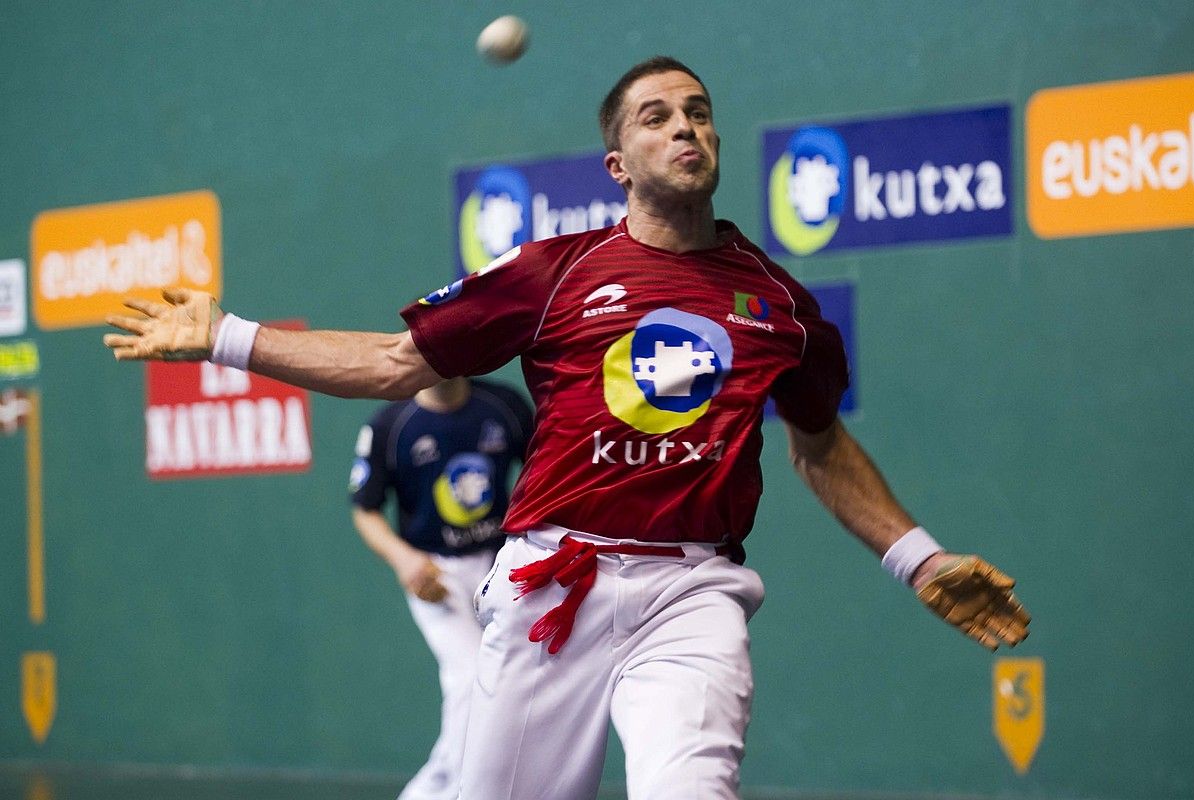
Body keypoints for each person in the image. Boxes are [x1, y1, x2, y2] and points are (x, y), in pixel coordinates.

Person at [105, 56, 1029, 800]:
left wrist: (920, 557)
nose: (686, 128)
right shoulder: (555, 272)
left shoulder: (779, 303)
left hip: (693, 593)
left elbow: (819, 444)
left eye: (699, 112)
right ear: (618, 165)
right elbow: (396, 365)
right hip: (555, 583)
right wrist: (226, 337)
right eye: (657, 116)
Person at [349, 376, 533, 800]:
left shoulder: (504, 405)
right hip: (436, 575)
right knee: (471, 679)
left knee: (512, 687)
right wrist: (405, 560)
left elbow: (543, 472)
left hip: (503, 563)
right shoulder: (389, 426)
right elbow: (365, 510)